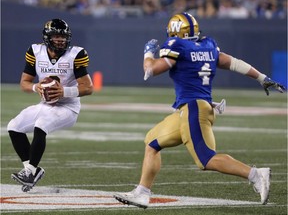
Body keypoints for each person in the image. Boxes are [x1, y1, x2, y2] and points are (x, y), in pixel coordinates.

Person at [114, 12, 285, 208]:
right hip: (194, 109)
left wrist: (147, 53)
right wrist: (262, 78)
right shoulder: (208, 45)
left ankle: (256, 175)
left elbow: (151, 70)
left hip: (194, 109)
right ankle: (142, 192)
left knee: (206, 159)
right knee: (152, 142)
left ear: (175, 31)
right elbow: (234, 63)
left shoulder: (176, 46)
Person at [7, 19, 93, 192]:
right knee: (14, 126)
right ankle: (31, 170)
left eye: (63, 36)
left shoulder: (76, 54)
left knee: (41, 124)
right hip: (46, 104)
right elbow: (24, 82)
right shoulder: (36, 51)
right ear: (47, 37)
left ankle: (30, 172)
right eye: (56, 36)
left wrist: (64, 92)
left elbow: (88, 88)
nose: (61, 40)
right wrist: (35, 87)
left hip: (68, 108)